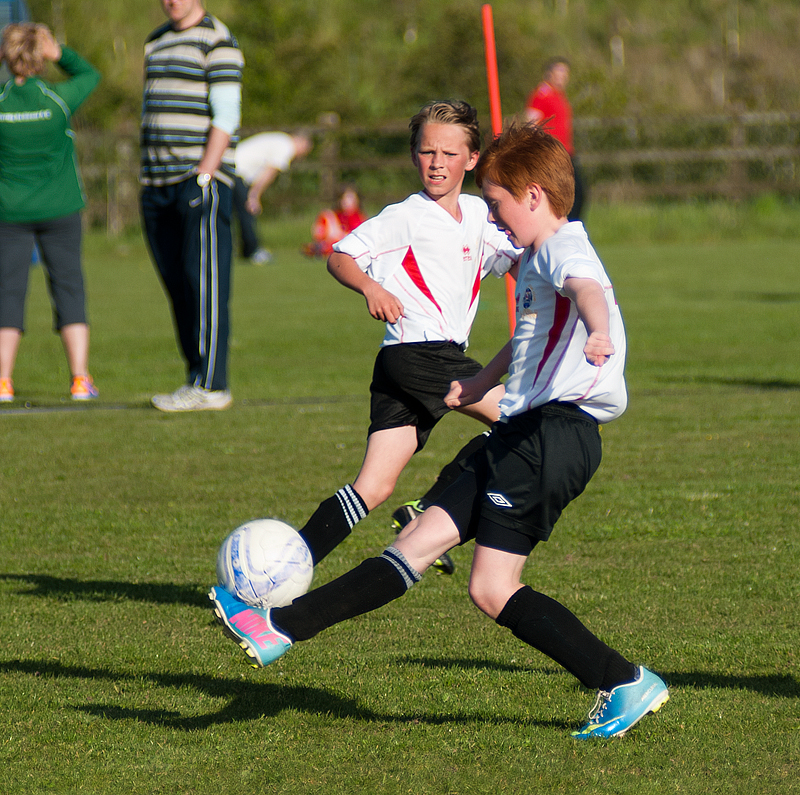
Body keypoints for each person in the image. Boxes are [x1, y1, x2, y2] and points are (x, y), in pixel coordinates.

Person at [209, 123, 670, 740]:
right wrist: (482, 382)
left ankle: (623, 680)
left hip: (555, 437)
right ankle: (279, 627)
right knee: (415, 543)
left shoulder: (565, 248)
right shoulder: (537, 257)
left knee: (492, 586)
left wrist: (601, 330)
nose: (496, 220)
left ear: (534, 196)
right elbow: (527, 334)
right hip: (522, 431)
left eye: (500, 203)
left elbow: (589, 289)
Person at [275, 100, 520, 575]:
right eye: (427, 151)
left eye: (450, 154)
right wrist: (370, 286)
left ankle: (281, 570)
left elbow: (517, 255)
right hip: (419, 354)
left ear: (472, 160)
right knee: (523, 418)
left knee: (372, 486)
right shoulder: (404, 216)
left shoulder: (477, 214)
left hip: (408, 364)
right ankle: (429, 510)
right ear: (414, 156)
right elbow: (340, 256)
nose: (437, 163)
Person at [140, 0, 244, 412]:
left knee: (204, 283)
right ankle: (194, 378)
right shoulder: (156, 41)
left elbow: (227, 115)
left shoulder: (218, 41)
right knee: (178, 285)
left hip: (198, 179)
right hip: (156, 183)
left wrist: (204, 173)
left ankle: (212, 384)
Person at [0, 23, 101, 403]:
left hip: (8, 213)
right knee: (69, 289)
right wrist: (61, 54)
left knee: (7, 294)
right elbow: (91, 74)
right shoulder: (59, 99)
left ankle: (3, 382)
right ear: (41, 56)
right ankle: (79, 379)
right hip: (60, 210)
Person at [233, 131, 312, 265]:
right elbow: (269, 172)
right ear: (301, 143)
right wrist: (254, 195)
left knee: (234, 212)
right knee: (247, 212)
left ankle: (246, 250)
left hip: (234, 168)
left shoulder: (280, 140)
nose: (302, 155)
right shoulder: (286, 146)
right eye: (305, 150)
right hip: (238, 171)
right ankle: (252, 251)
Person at [525, 57, 586, 222]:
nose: (563, 77)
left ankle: (571, 227)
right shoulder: (541, 95)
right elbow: (531, 124)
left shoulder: (559, 95)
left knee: (578, 194)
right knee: (571, 194)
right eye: (559, 72)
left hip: (566, 152)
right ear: (549, 73)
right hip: (552, 154)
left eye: (565, 73)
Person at [302, 186, 367, 259]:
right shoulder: (330, 216)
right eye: (346, 198)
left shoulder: (360, 218)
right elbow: (319, 234)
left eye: (351, 199)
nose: (348, 202)